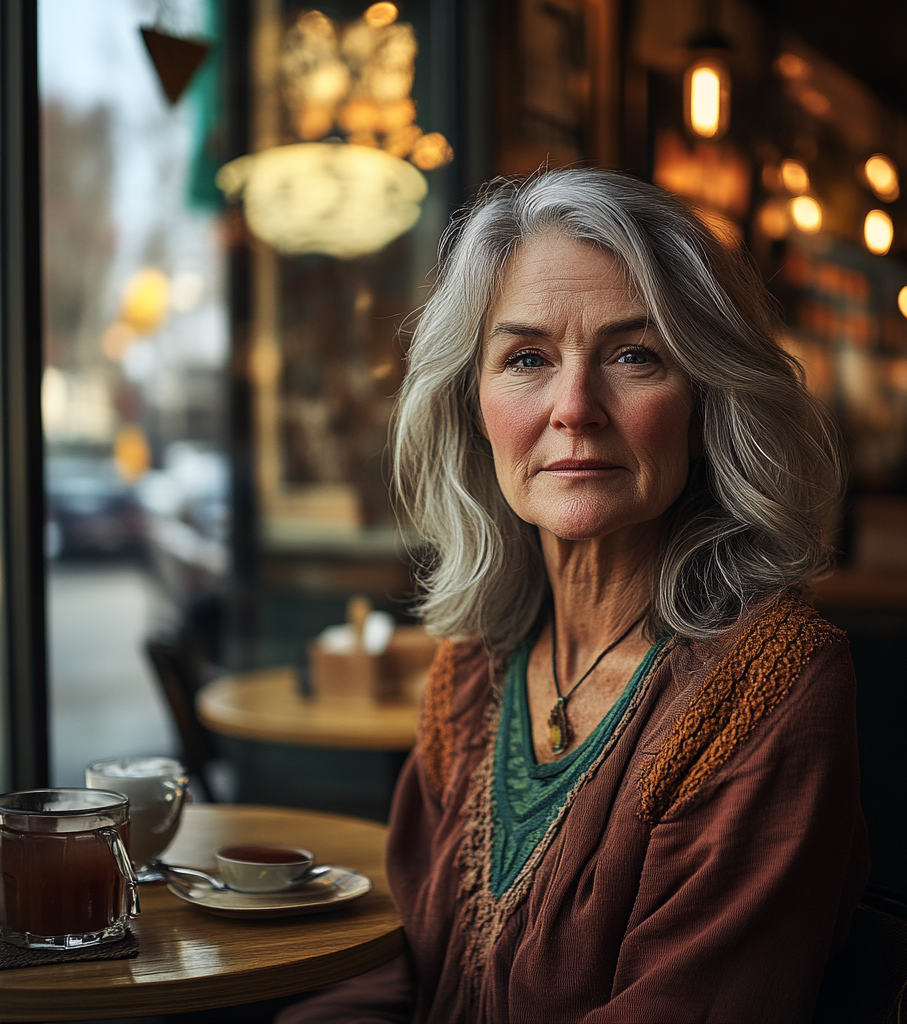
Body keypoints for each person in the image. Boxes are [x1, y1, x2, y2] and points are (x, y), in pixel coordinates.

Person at [279, 169, 868, 1024]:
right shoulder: (474, 671)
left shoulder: (773, 688)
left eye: (635, 355)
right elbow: (392, 960)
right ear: (472, 406)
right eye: (527, 358)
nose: (575, 408)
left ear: (708, 399)